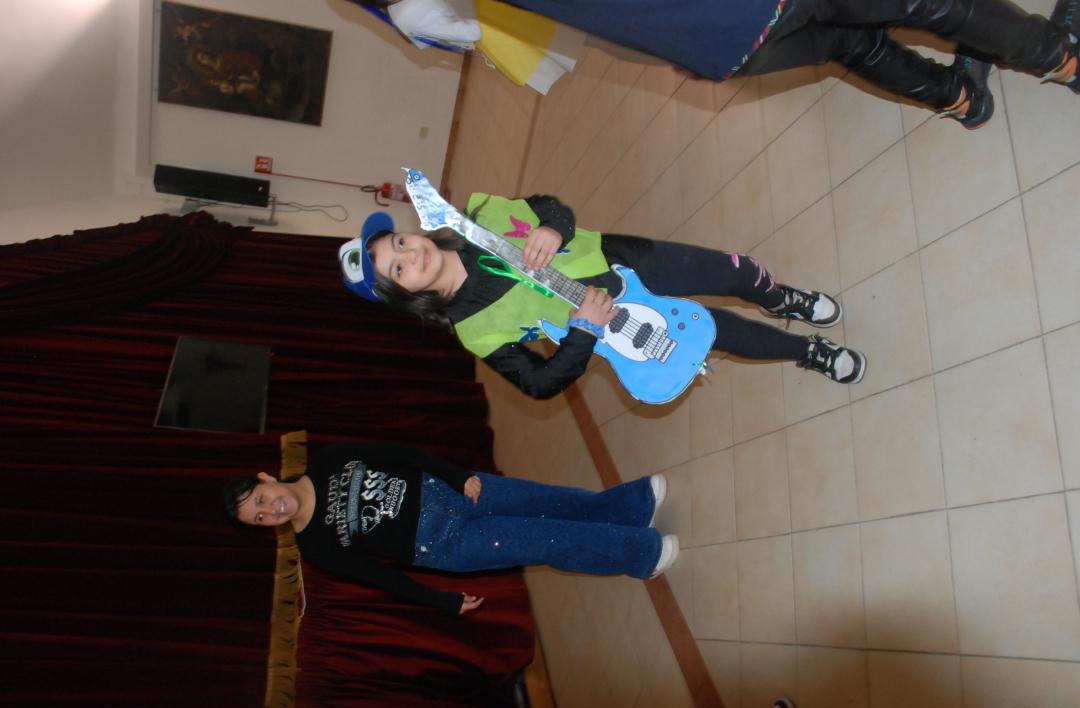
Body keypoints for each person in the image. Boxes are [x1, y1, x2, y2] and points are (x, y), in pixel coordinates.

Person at [338, 192, 866, 401]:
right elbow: (540, 383)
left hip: (628, 259)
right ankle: (806, 351)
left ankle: (780, 298)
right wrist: (584, 331)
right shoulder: (473, 330)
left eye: (399, 243)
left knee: (737, 272)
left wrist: (553, 227)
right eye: (397, 270)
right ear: (402, 294)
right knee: (716, 332)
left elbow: (550, 205)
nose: (410, 255)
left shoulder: (480, 215)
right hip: (620, 324)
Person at [222, 441, 677, 615]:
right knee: (547, 540)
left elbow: (399, 453)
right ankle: (641, 555)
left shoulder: (326, 461)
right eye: (260, 519)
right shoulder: (315, 547)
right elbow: (379, 576)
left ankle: (629, 508)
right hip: (445, 544)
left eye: (261, 500)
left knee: (547, 501)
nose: (271, 511)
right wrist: (440, 601)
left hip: (449, 490)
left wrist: (456, 474)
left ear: (266, 478)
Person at [494, 0, 1080, 130]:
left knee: (849, 44)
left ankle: (960, 99)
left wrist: (678, 49)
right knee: (930, 3)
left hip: (714, 42)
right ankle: (1062, 57)